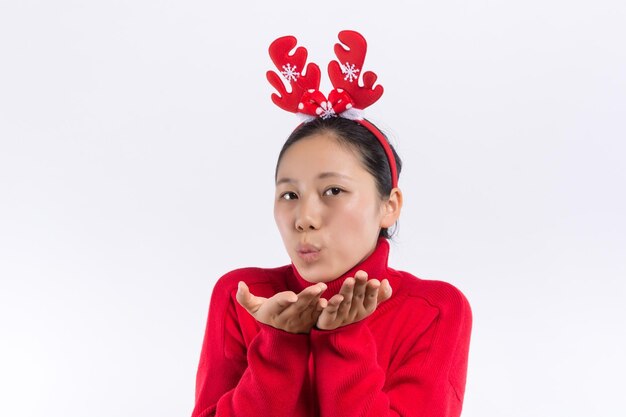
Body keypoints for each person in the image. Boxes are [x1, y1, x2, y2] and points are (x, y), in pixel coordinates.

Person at [190, 31, 472, 417]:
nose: (304, 218)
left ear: (389, 206)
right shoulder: (243, 297)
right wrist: (278, 346)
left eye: (334, 191)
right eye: (290, 195)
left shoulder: (435, 310)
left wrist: (344, 339)